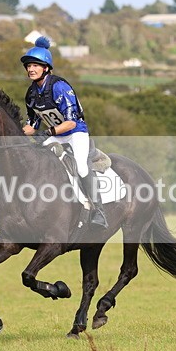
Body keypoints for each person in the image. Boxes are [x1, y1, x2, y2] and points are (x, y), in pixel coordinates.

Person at [20, 36, 108, 229]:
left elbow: (70, 122)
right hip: (54, 135)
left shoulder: (59, 87)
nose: (31, 69)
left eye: (35, 65)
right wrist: (15, 134)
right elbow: (32, 126)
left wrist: (48, 131)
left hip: (76, 132)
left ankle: (99, 211)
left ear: (46, 68)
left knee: (82, 167)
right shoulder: (31, 93)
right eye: (28, 66)